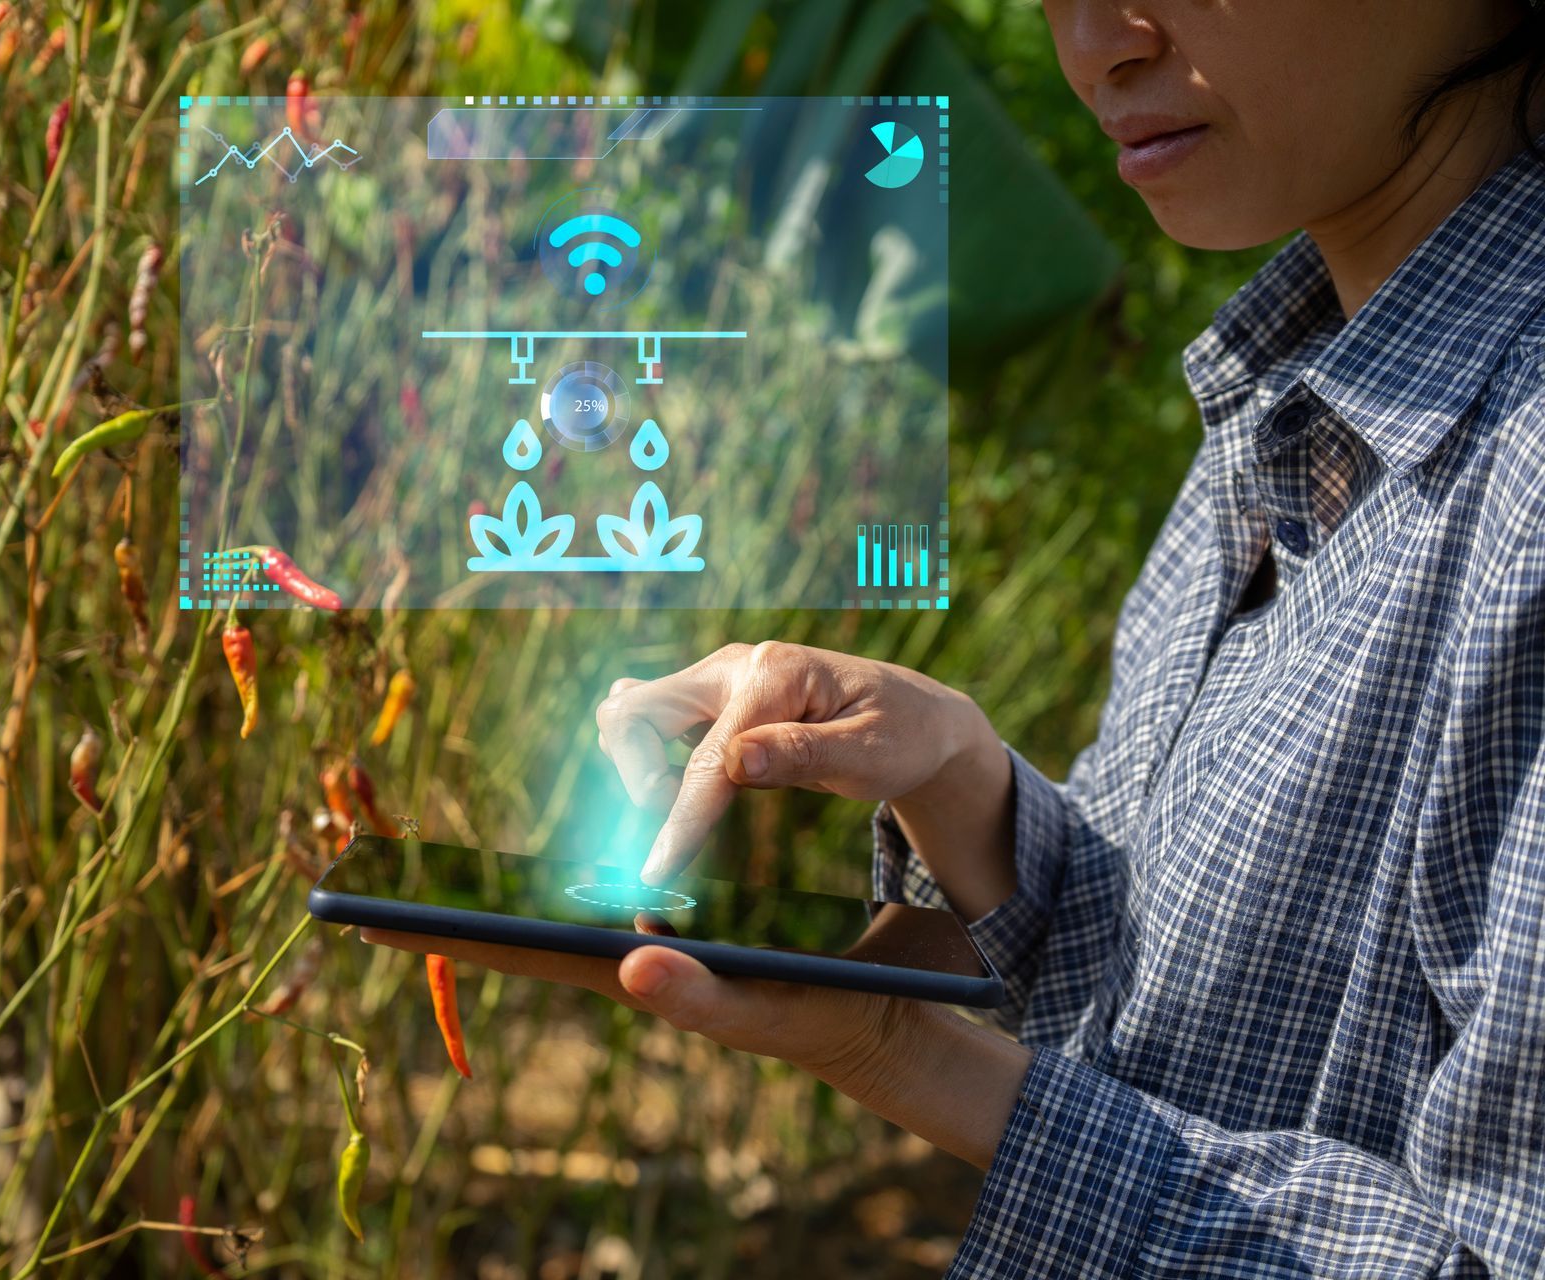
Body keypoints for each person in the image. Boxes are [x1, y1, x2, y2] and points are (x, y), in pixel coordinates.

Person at [363, 1, 1545, 1273]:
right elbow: (1191, 1019)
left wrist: (902, 1051)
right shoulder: (1284, 402)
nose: (1097, 40)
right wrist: (964, 792)